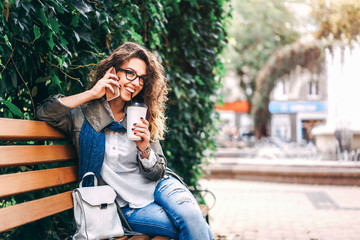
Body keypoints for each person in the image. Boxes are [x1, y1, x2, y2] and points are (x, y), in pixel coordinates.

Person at [36, 42, 214, 240]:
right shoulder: (82, 116)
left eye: (142, 78)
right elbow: (44, 113)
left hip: (161, 187)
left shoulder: (139, 114)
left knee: (192, 217)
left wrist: (145, 149)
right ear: (112, 71)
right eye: (130, 73)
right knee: (191, 227)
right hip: (125, 207)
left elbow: (159, 171)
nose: (136, 82)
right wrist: (92, 94)